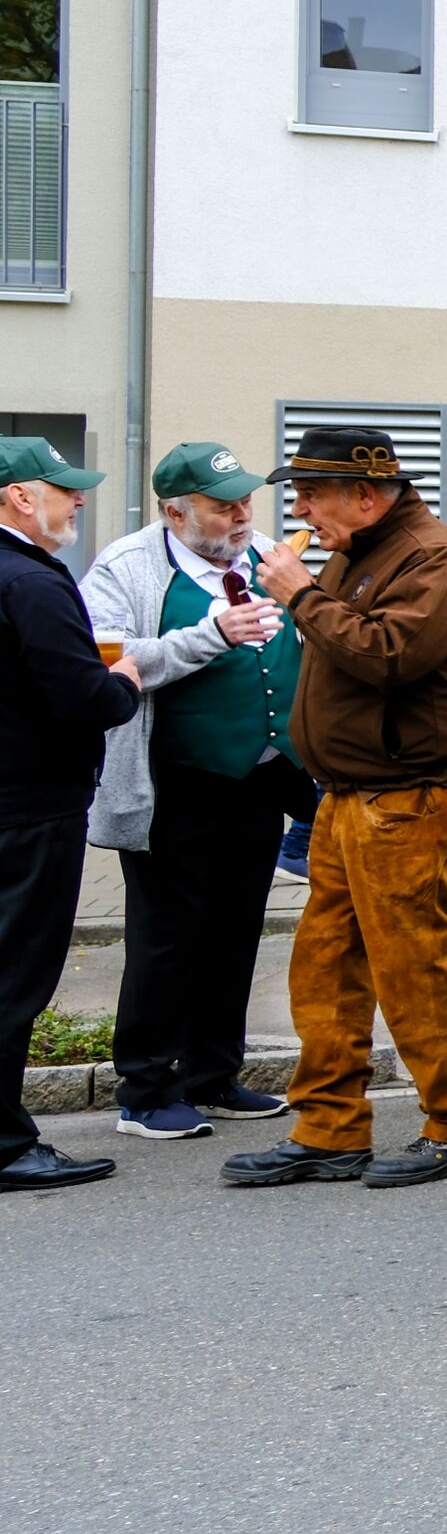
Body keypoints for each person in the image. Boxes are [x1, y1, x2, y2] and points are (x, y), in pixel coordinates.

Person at [221, 428, 447, 1191]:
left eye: (312, 495)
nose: (301, 511)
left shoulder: (437, 557)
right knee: (325, 966)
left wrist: (301, 596)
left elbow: (389, 656)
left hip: (409, 795)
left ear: (366, 495)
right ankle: (329, 1129)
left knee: (413, 967)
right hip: (348, 794)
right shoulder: (357, 553)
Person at [80, 441, 304, 1140]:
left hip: (260, 774)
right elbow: (105, 660)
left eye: (245, 500)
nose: (241, 515)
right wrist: (211, 635)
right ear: (175, 512)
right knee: (166, 938)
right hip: (172, 780)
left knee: (235, 932)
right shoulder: (127, 566)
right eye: (222, 505)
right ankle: (146, 1091)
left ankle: (214, 1075)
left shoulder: (265, 555)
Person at [0, 434, 139, 1193]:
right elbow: (86, 699)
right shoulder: (31, 581)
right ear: (20, 497)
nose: (78, 498)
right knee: (15, 976)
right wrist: (125, 681)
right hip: (29, 809)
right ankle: (5, 1145)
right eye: (63, 488)